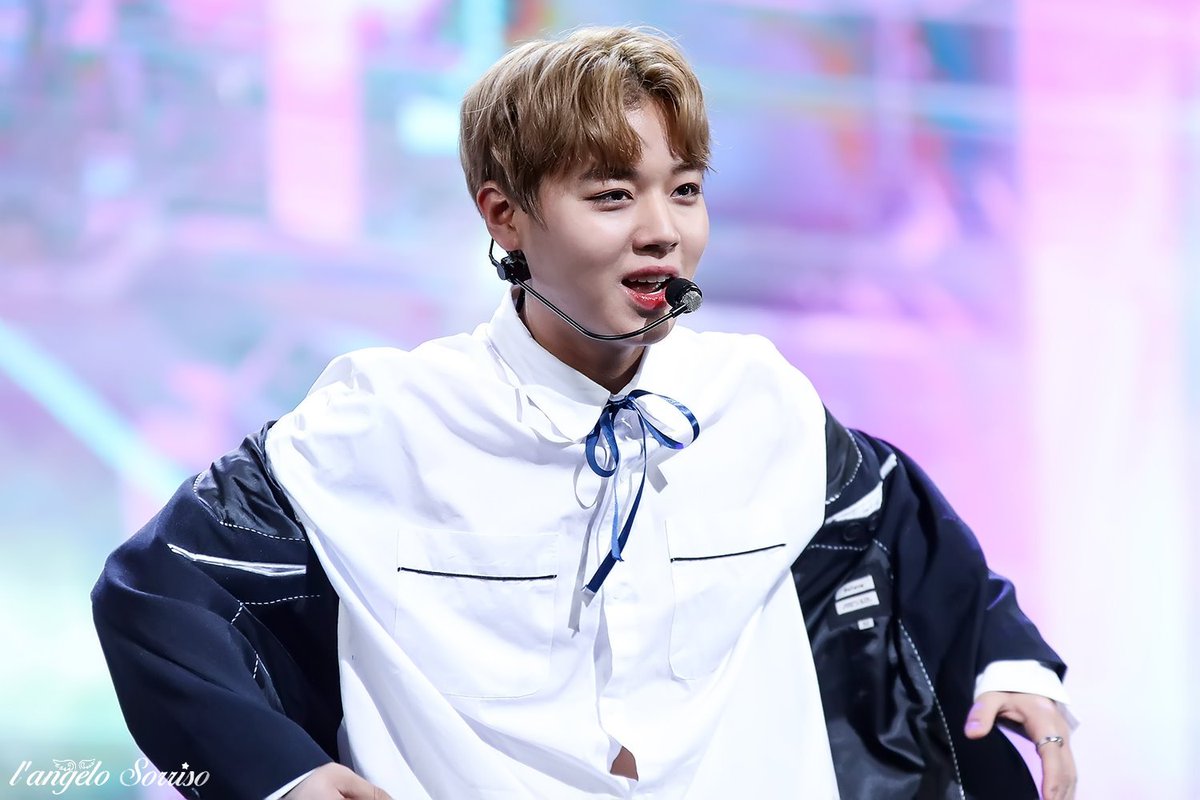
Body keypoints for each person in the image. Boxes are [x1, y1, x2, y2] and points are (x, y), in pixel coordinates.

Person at [92, 26, 1077, 800]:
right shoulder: (388, 416)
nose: (662, 232)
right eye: (612, 196)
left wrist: (1007, 665)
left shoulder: (755, 396)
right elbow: (155, 591)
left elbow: (909, 544)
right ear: (504, 216)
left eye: (683, 190)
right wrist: (280, 774)